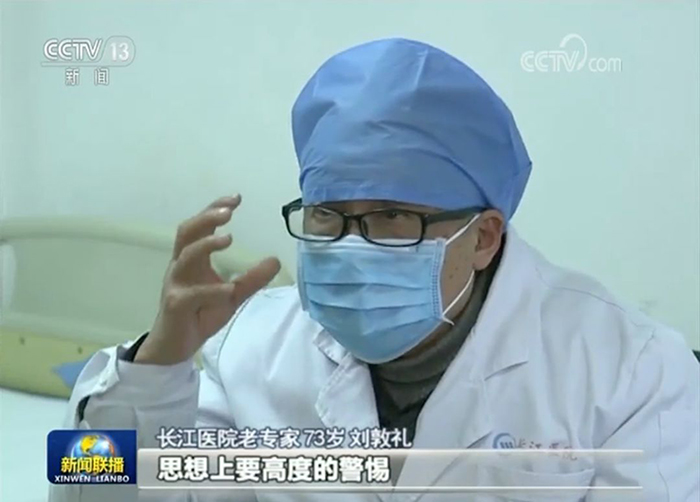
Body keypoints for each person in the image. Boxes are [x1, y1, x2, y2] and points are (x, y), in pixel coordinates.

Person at [49, 38, 699, 502]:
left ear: (483, 238)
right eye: (329, 215)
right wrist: (154, 369)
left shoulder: (632, 371)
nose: (351, 248)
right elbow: (89, 488)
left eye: (393, 217)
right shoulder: (253, 344)